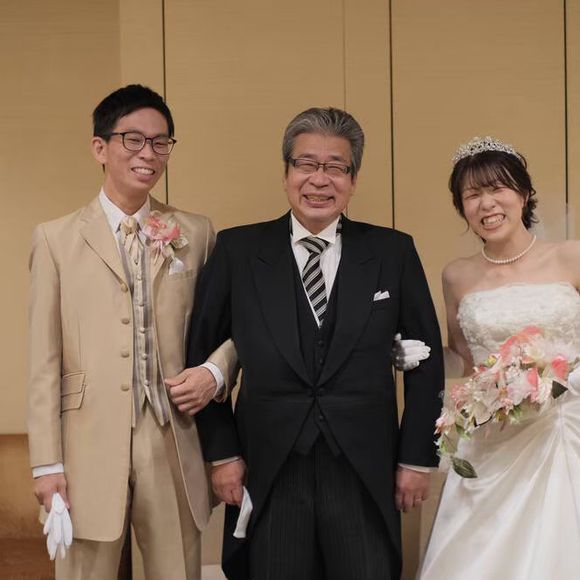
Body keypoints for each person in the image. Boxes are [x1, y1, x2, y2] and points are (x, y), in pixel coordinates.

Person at [186, 107, 444, 580]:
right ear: (286, 173)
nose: (319, 180)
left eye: (335, 167)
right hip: (269, 465)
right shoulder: (239, 251)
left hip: (365, 466)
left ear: (353, 179)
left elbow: (426, 364)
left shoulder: (392, 252)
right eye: (306, 164)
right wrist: (222, 455)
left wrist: (416, 458)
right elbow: (202, 358)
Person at [28, 84, 237, 580]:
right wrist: (46, 464)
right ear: (100, 147)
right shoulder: (56, 239)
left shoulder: (197, 233)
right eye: (133, 139)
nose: (149, 153)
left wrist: (215, 372)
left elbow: (232, 329)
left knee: (176, 570)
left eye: (161, 142)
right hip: (85, 441)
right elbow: (43, 360)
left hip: (172, 433)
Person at [418, 137, 580, 579]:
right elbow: (463, 359)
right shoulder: (457, 275)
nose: (486, 204)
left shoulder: (571, 256)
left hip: (567, 424)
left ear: (523, 194)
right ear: (462, 208)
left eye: (497, 189)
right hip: (494, 434)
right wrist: (411, 355)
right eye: (472, 195)